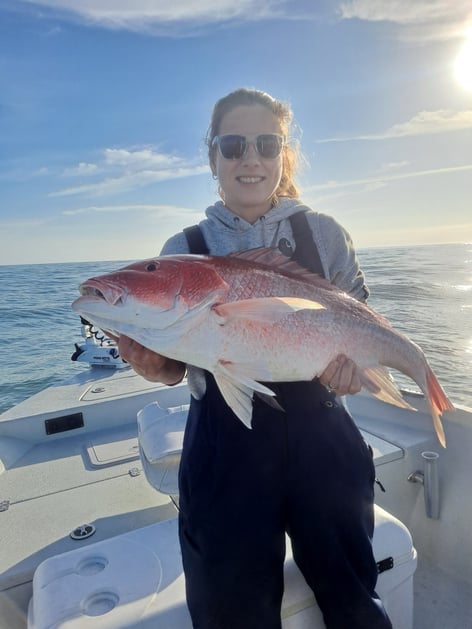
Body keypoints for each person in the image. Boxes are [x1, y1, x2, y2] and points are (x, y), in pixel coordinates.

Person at [118, 88, 392, 629]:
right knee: (230, 610)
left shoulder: (324, 234)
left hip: (325, 442)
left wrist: (355, 370)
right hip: (225, 450)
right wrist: (157, 366)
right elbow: (180, 361)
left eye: (267, 144)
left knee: (354, 596)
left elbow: (358, 317)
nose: (251, 158)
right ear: (212, 156)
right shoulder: (184, 246)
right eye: (234, 144)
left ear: (283, 155)